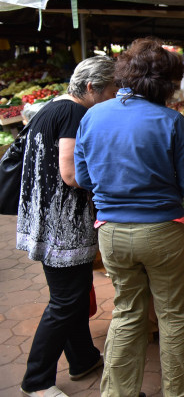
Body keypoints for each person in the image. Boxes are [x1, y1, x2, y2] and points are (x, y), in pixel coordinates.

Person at [74, 38, 184, 397]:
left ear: (125, 73)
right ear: (166, 84)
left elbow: (84, 178)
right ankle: (177, 392)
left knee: (128, 312)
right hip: (163, 232)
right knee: (173, 316)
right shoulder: (170, 121)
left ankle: (117, 394)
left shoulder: (93, 116)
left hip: (112, 234)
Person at [16, 56, 118, 397]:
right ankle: (37, 380)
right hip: (63, 227)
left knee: (72, 296)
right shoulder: (75, 114)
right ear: (91, 88)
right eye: (111, 91)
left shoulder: (51, 108)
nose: (113, 98)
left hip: (44, 219)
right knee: (65, 301)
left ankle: (83, 358)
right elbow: (71, 175)